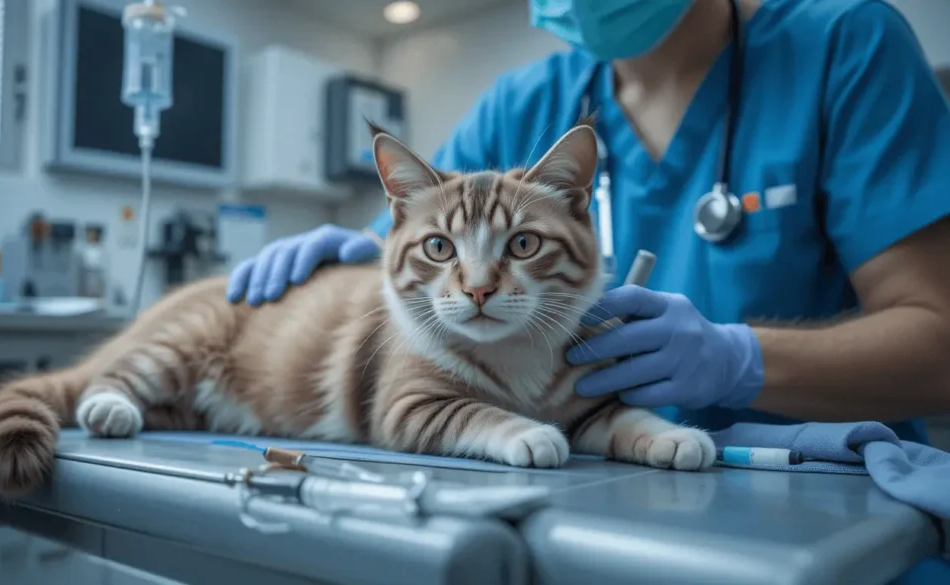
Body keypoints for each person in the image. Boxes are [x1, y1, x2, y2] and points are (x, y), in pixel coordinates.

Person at [227, 0, 950, 442]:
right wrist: (362, 252)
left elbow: (937, 344)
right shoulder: (523, 104)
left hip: (819, 500)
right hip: (584, 491)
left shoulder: (845, 47)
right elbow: (428, 231)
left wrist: (739, 360)